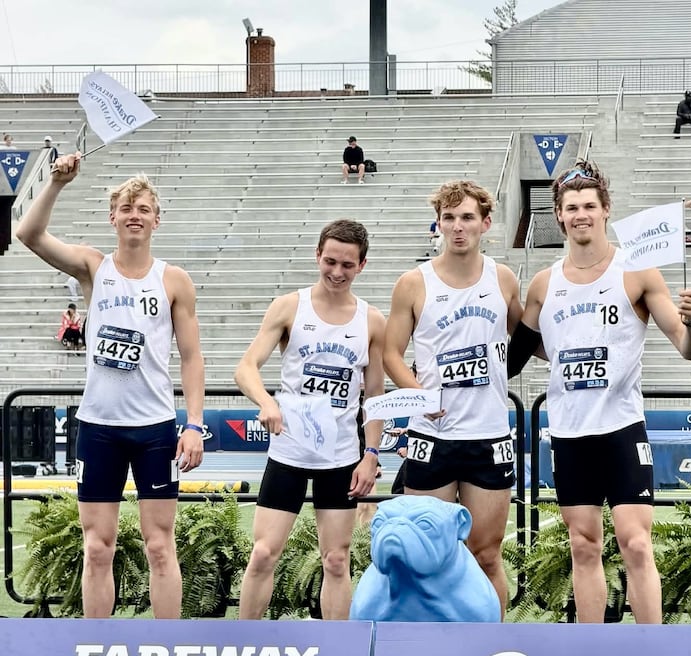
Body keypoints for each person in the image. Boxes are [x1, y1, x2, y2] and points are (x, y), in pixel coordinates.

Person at [507, 160, 691, 624]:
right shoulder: (544, 284)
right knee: (583, 544)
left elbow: (688, 349)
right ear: (559, 215)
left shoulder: (637, 272)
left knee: (636, 543)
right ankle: (591, 646)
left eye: (589, 206)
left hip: (621, 428)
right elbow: (515, 358)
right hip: (569, 432)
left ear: (605, 209)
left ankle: (651, 645)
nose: (581, 215)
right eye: (572, 207)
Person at [15, 152, 206, 619]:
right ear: (112, 218)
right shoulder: (93, 267)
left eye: (143, 209)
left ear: (157, 219)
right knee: (98, 546)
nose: (134, 215)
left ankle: (167, 644)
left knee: (159, 546)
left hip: (155, 429)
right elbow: (28, 234)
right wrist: (57, 183)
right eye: (126, 208)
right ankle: (96, 642)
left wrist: (194, 424)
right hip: (99, 427)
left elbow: (191, 356)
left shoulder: (174, 280)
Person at [383, 180, 523, 616]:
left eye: (467, 217)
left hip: (489, 435)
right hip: (432, 437)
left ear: (486, 223)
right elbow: (391, 353)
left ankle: (491, 643)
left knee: (487, 555)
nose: (458, 227)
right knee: (426, 556)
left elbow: (528, 339)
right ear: (439, 224)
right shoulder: (413, 283)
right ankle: (428, 643)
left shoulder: (503, 278)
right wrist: (417, 395)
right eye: (449, 218)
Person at [235, 219, 386, 620]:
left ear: (362, 265)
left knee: (336, 559)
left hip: (340, 458)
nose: (337, 272)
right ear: (317, 255)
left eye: (347, 265)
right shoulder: (289, 307)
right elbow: (246, 367)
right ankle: (245, 640)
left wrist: (371, 454)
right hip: (289, 451)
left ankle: (339, 646)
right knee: (264, 553)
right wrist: (266, 402)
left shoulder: (371, 321)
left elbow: (374, 395)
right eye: (330, 261)